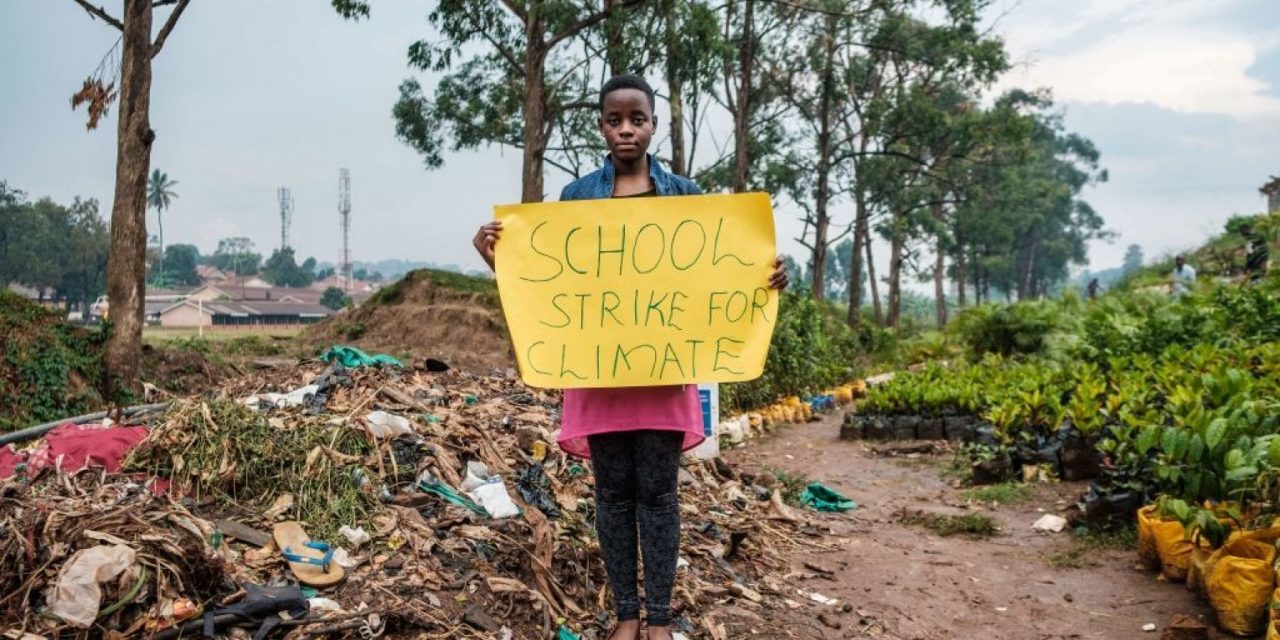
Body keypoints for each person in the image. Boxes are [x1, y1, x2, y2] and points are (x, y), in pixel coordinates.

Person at [472, 74, 788, 640]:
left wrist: (765, 275)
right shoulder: (575, 199)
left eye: (636, 119)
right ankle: (625, 614)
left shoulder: (686, 196)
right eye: (614, 120)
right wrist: (500, 259)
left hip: (665, 371)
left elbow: (718, 271)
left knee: (660, 494)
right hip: (598, 374)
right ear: (601, 126)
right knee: (613, 495)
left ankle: (659, 619)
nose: (625, 129)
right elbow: (550, 285)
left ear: (653, 125)